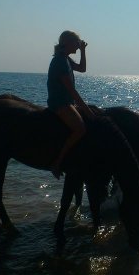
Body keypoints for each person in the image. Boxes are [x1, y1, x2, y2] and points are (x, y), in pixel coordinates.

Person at [47, 30, 95, 179]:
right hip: (60, 103)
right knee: (80, 128)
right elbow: (72, 91)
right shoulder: (60, 61)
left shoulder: (66, 59)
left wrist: (83, 51)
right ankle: (57, 162)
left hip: (68, 102)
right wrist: (87, 111)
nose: (78, 45)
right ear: (67, 43)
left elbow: (82, 69)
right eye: (76, 42)